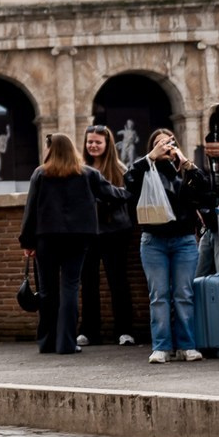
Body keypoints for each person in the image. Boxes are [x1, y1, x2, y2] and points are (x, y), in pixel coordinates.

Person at [122, 127, 215, 363]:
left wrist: (187, 164)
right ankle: (161, 346)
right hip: (153, 240)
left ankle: (187, 345)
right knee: (158, 295)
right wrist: (150, 158)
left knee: (184, 293)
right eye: (159, 143)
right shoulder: (145, 169)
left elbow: (205, 192)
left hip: (184, 239)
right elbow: (128, 182)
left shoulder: (184, 172)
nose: (165, 147)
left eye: (170, 143)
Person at [19, 132, 113, 356]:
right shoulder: (88, 173)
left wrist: (27, 241)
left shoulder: (40, 174)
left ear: (51, 149)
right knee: (70, 288)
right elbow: (111, 193)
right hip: (78, 238)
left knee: (47, 291)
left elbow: (30, 209)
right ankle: (67, 343)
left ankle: (47, 342)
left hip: (47, 238)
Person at [79, 124, 138, 348]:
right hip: (88, 232)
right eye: (90, 142)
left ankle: (124, 331)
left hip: (115, 232)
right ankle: (89, 331)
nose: (93, 145)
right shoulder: (81, 168)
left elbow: (127, 197)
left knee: (118, 281)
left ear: (107, 144)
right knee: (88, 282)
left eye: (98, 142)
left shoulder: (119, 169)